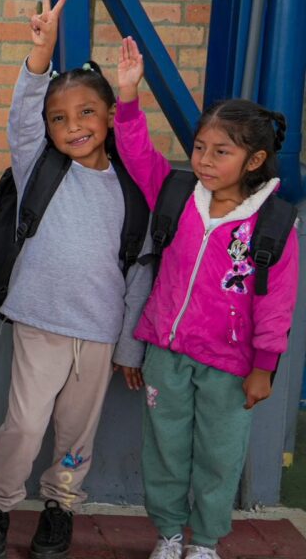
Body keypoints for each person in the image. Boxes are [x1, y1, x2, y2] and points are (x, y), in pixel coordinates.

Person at [0, 0, 151, 559]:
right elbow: (22, 117)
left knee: (76, 435)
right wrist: (40, 55)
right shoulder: (38, 166)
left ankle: (60, 505)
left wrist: (130, 346)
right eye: (59, 118)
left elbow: (138, 271)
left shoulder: (132, 187)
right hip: (40, 324)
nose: (73, 126)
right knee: (23, 426)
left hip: (98, 334)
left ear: (110, 117)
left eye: (86, 113)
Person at [110, 39, 299, 559]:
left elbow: (277, 303)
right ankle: (170, 534)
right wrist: (128, 96)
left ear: (254, 159)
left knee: (219, 456)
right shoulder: (177, 195)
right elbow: (137, 154)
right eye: (200, 148)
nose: (205, 160)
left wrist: (264, 367)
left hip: (231, 366)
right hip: (167, 354)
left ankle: (206, 542)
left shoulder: (273, 224)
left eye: (222, 152)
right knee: (165, 450)